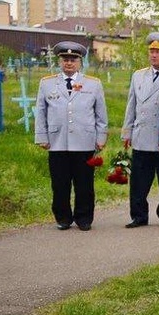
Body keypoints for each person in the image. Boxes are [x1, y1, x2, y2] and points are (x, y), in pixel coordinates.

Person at [34, 41, 108, 230]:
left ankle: (84, 218)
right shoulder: (47, 83)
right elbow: (41, 112)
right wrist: (42, 137)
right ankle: (63, 218)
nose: (69, 63)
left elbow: (101, 114)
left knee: (84, 184)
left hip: (84, 142)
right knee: (60, 184)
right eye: (65, 59)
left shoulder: (93, 83)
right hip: (57, 142)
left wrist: (101, 138)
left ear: (80, 61)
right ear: (60, 61)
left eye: (73, 59)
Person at [121, 31, 159, 227]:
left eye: (158, 51)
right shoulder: (139, 75)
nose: (153, 55)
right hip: (142, 135)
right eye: (151, 51)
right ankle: (138, 215)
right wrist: (127, 131)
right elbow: (132, 104)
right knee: (138, 180)